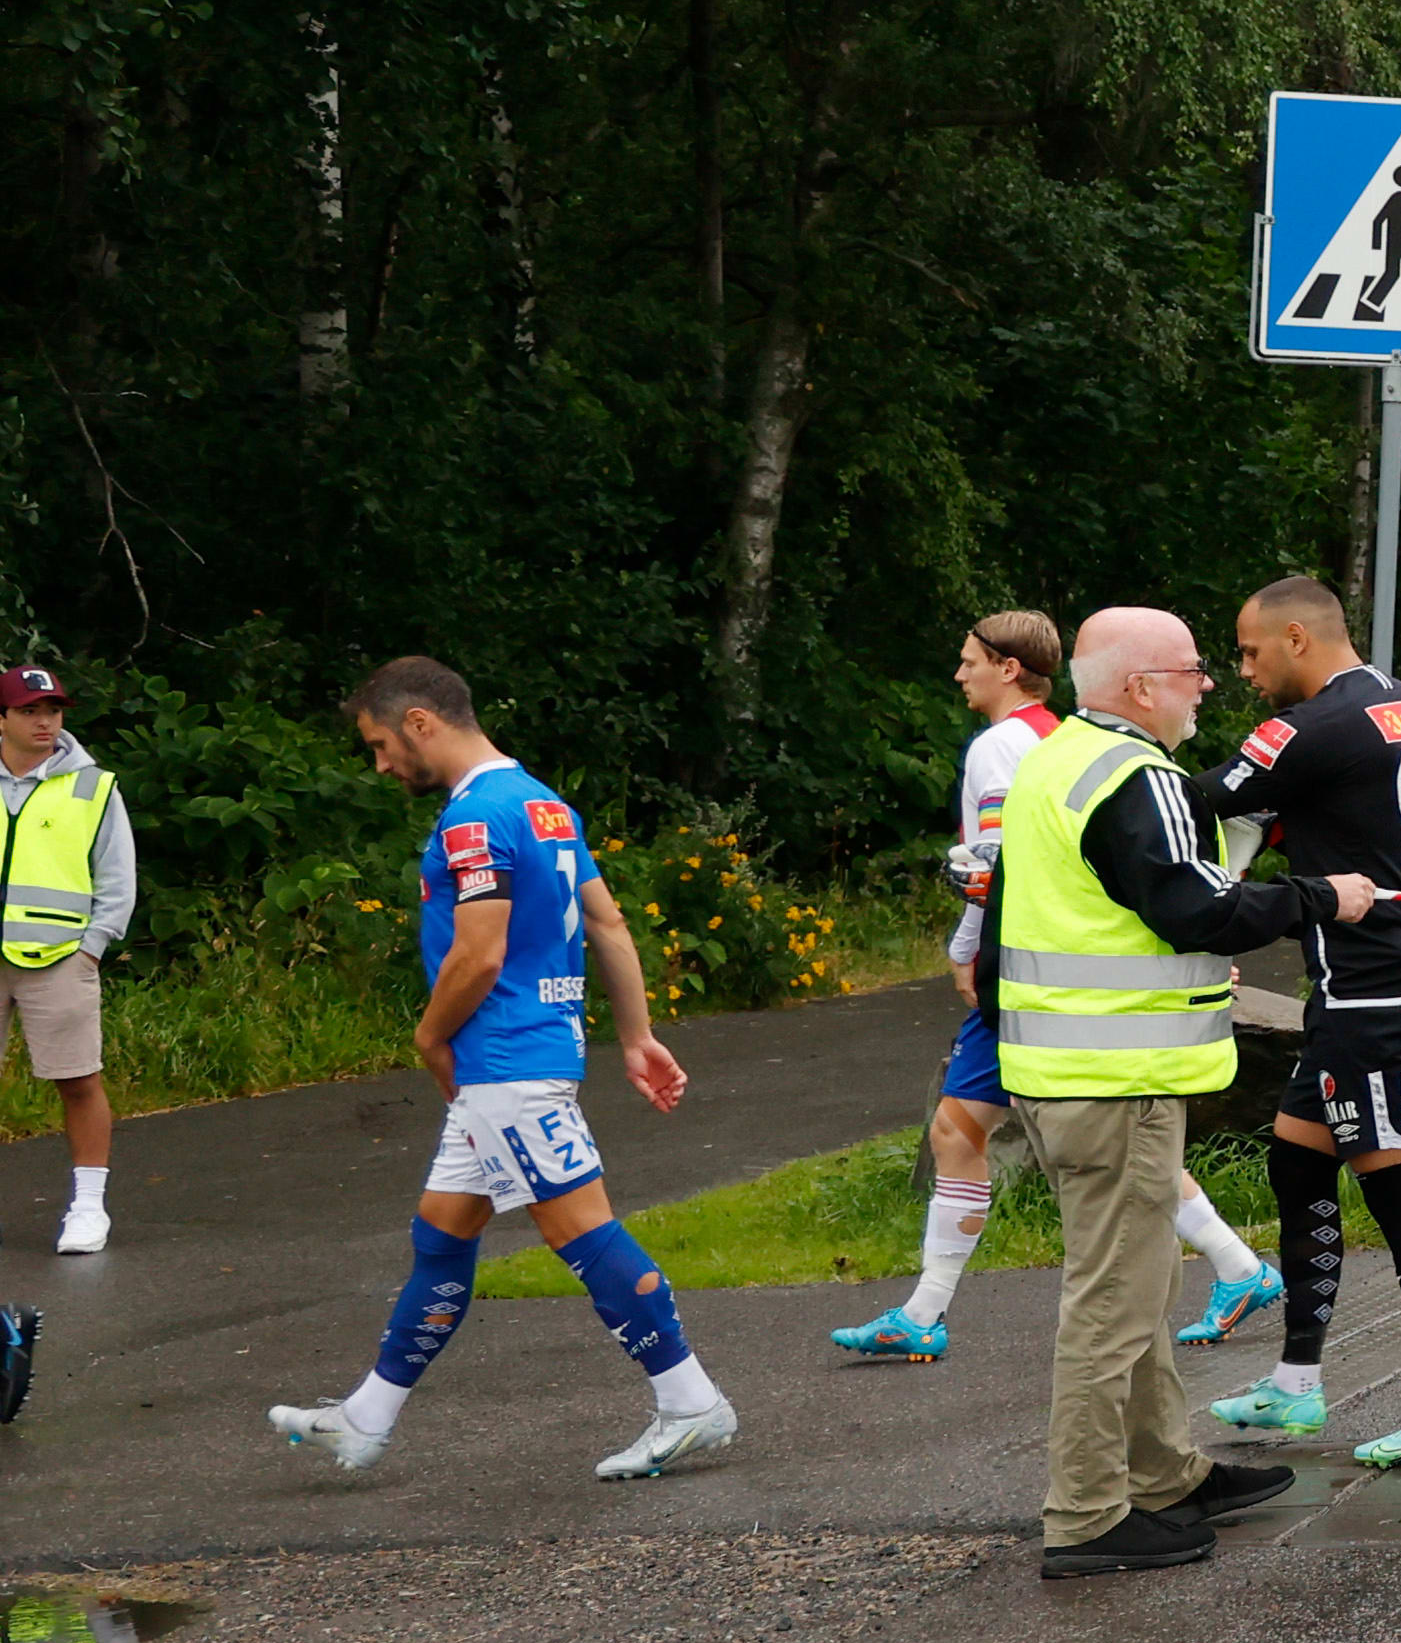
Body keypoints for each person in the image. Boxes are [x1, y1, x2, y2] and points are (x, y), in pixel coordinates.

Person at [271, 658, 740, 1478]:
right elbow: (608, 923)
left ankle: (690, 1401)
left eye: (380, 744)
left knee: (582, 1232)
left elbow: (479, 954)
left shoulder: (474, 817)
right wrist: (635, 1036)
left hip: (504, 1063)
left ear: (420, 722)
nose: (380, 765)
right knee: (442, 1233)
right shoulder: (542, 803)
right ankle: (364, 1419)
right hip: (528, 1055)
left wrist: (429, 1037)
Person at [994, 610, 1377, 1575]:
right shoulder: (1140, 776)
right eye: (1190, 670)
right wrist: (1322, 897)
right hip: (1115, 1082)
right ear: (1138, 688)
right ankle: (1087, 1513)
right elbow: (1196, 909)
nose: (1206, 685)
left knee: (1143, 1280)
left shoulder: (1057, 759)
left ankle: (1163, 1473)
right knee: (1115, 1301)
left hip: (1068, 1075)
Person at [831, 615, 1283, 1365]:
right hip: (1076, 995)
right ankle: (1236, 1269)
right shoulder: (1074, 738)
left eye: (970, 660)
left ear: (1009, 668)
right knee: (1111, 1156)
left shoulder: (1010, 749)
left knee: (989, 1142)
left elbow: (999, 871)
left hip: (1042, 991)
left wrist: (967, 950)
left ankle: (928, 1313)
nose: (960, 674)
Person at [1185, 578, 1401, 1467]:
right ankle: (1297, 1382)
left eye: (1251, 652)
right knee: (1297, 1158)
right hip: (1383, 979)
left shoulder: (1306, 729)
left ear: (1297, 637)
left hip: (1380, 995)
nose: (1243, 672)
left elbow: (1192, 800)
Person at [0, 664, 133, 1253]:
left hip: (59, 957)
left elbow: (117, 877)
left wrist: (92, 947)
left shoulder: (92, 786)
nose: (45, 722)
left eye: (52, 710)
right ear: (2, 718)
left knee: (79, 1081)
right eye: (29, 710)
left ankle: (87, 1208)